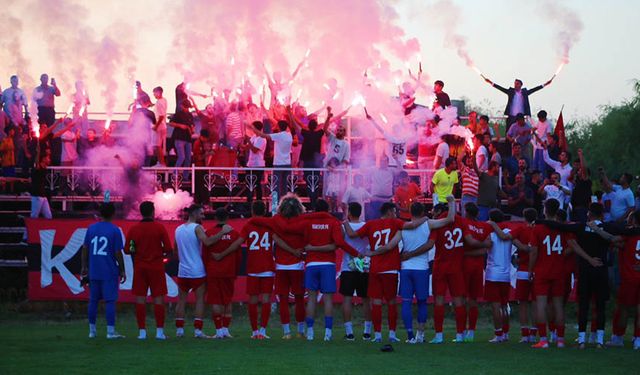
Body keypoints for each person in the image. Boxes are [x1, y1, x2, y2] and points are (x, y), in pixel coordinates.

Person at [345, 197, 456, 343]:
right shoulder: (403, 224)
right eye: (395, 211)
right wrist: (451, 204)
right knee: (410, 302)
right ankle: (412, 335)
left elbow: (385, 244)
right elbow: (448, 220)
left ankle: (391, 335)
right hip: (410, 269)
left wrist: (345, 222)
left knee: (396, 302)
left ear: (410, 211)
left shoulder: (386, 226)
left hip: (393, 268)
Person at [279, 199, 360, 341]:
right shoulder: (333, 222)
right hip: (328, 264)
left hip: (311, 264)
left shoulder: (307, 222)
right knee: (328, 299)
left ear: (315, 209)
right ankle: (327, 334)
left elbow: (288, 229)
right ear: (328, 209)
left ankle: (310, 333)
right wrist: (356, 253)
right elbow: (339, 243)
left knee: (311, 299)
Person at [538, 203, 615, 349]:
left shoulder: (580, 227)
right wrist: (599, 230)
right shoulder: (607, 226)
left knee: (584, 304)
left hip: (585, 270)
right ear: (602, 214)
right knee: (599, 305)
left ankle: (581, 339)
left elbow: (561, 227)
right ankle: (599, 339)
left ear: (589, 214)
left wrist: (538, 221)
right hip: (601, 269)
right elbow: (615, 238)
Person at [174, 204, 232, 338]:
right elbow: (207, 242)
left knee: (181, 300)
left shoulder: (178, 229)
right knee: (200, 300)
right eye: (201, 214)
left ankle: (179, 330)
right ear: (194, 214)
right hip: (197, 271)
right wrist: (222, 232)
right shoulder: (197, 228)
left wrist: (184, 260)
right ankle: (198, 331)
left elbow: (175, 250)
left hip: (182, 270)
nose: (203, 216)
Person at [125, 201, 172, 340]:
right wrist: (161, 252)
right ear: (153, 211)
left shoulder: (134, 229)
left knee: (140, 299)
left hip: (140, 267)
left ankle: (142, 333)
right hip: (156, 267)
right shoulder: (159, 228)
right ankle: (159, 332)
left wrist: (137, 250)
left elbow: (128, 249)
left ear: (141, 212)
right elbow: (168, 248)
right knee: (159, 299)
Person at [80, 202, 126, 339]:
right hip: (109, 271)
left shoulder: (91, 228)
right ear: (113, 213)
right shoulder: (114, 230)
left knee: (93, 300)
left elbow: (85, 249)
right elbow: (118, 252)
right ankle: (110, 332)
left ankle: (92, 331)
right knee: (110, 301)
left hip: (94, 270)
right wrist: (122, 269)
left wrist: (84, 266)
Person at [237, 201, 275, 339]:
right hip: (267, 266)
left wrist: (223, 252)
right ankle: (263, 330)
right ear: (265, 211)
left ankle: (254, 331)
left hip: (253, 266)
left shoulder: (248, 225)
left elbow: (238, 242)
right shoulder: (270, 225)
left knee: (252, 300)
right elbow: (279, 240)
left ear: (252, 211)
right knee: (266, 299)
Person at [204, 208, 241, 339]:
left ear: (215, 218)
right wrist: (235, 271)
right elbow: (238, 255)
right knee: (228, 300)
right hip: (229, 271)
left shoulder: (209, 233)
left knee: (215, 301)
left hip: (213, 271)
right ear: (227, 218)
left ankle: (218, 331)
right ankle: (226, 330)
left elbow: (205, 254)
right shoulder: (235, 234)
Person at [607, 210, 640, 349]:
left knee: (623, 308)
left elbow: (614, 242)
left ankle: (618, 337)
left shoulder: (627, 235)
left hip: (629, 277)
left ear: (633, 220)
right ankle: (638, 339)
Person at [460, 203, 492, 342]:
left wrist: (466, 252)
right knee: (473, 300)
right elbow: (487, 245)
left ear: (466, 212)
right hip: (478, 266)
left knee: (462, 299)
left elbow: (470, 242)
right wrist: (482, 248)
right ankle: (471, 331)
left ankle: (461, 332)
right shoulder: (484, 226)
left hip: (464, 265)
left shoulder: (464, 223)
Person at [340, 202, 372, 341]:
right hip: (363, 266)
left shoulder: (343, 227)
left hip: (348, 267)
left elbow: (339, 242)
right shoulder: (367, 226)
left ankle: (349, 332)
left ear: (349, 213)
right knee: (366, 299)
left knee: (347, 299)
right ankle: (367, 331)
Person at [510, 208, 539, 343]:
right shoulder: (539, 229)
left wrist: (521, 246)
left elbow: (509, 237)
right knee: (535, 302)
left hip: (523, 269)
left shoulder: (521, 229)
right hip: (537, 269)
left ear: (523, 217)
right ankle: (534, 333)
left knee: (522, 303)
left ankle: (524, 334)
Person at [483, 76, 552, 127]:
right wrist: (490, 82)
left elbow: (535, 89)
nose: (515, 85)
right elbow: (500, 88)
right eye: (515, 84)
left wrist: (545, 84)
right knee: (509, 132)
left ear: (521, 85)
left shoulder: (524, 93)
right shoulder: (511, 92)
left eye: (517, 84)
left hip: (520, 117)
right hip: (511, 116)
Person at [251, 120, 293, 200]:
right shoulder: (289, 135)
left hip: (278, 164)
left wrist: (252, 128)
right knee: (284, 186)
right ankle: (284, 204)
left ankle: (274, 207)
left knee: (276, 186)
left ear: (279, 127)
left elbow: (263, 135)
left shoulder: (279, 135)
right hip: (288, 163)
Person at [169, 99, 195, 180]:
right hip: (179, 137)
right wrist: (180, 125)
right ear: (182, 106)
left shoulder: (190, 115)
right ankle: (175, 174)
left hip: (188, 138)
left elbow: (192, 124)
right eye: (185, 107)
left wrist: (192, 129)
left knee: (188, 158)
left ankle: (185, 177)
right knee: (182, 156)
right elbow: (171, 123)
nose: (186, 109)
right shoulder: (178, 114)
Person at [243, 121, 267, 202]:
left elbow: (254, 150)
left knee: (257, 184)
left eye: (253, 127)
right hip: (250, 164)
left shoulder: (262, 139)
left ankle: (259, 201)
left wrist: (248, 141)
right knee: (249, 184)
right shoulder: (254, 137)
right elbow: (247, 147)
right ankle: (249, 202)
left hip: (258, 165)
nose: (252, 129)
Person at [368, 155, 394, 219]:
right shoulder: (373, 169)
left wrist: (396, 159)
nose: (383, 162)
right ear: (379, 162)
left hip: (387, 199)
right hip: (376, 199)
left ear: (388, 162)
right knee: (376, 218)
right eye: (382, 161)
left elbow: (401, 171)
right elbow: (362, 169)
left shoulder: (391, 170)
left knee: (388, 219)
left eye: (385, 161)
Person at [29, 152, 53, 219]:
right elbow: (36, 163)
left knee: (48, 216)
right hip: (37, 195)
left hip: (43, 195)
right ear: (43, 159)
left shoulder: (44, 167)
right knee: (34, 216)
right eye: (48, 158)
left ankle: (48, 228)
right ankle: (32, 228)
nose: (49, 159)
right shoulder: (37, 167)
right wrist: (38, 152)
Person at [531, 110, 553, 175]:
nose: (539, 120)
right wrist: (533, 131)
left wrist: (548, 145)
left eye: (540, 118)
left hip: (544, 146)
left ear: (544, 117)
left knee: (542, 165)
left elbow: (549, 135)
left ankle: (542, 178)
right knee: (535, 163)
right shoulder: (539, 122)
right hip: (538, 145)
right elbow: (534, 128)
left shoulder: (548, 124)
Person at [152, 87, 167, 166]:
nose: (154, 95)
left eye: (154, 93)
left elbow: (161, 116)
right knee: (158, 145)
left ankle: (161, 163)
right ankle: (161, 162)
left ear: (158, 92)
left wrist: (155, 127)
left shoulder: (159, 102)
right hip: (163, 125)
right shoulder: (164, 100)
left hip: (159, 126)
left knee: (157, 146)